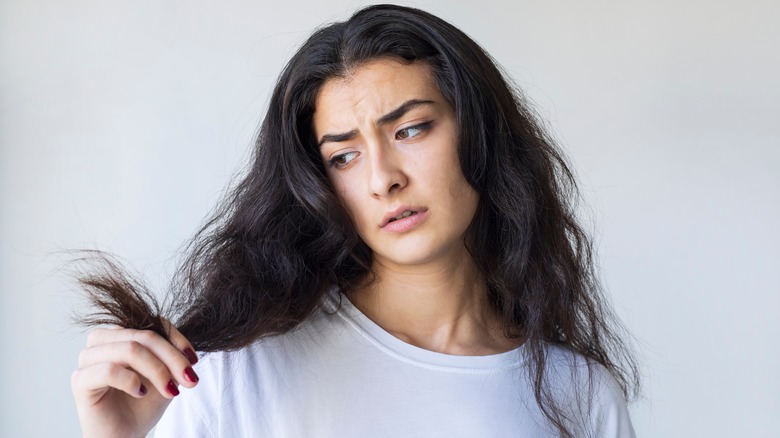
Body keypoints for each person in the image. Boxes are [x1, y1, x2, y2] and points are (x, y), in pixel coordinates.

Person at [71, 4, 639, 437]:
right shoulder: (234, 371)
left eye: (411, 129)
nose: (382, 178)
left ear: (480, 133)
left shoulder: (578, 395)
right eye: (343, 156)